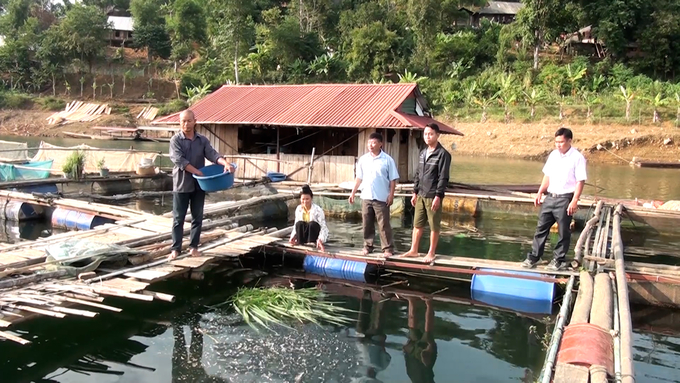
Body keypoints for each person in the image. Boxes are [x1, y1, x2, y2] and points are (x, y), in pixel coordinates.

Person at [168, 109, 235, 260]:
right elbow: (180, 161)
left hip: (200, 185)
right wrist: (197, 172)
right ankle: (175, 249)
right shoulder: (175, 140)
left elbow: (213, 155)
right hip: (182, 184)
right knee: (178, 218)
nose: (186, 124)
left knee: (197, 217)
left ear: (194, 122)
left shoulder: (202, 140)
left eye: (189, 121)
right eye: (183, 121)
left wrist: (225, 163)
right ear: (180, 122)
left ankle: (193, 247)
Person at [521, 127, 587, 271]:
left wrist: (575, 200)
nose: (558, 145)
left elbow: (580, 181)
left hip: (565, 198)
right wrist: (540, 192)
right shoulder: (553, 155)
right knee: (541, 228)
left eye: (561, 142)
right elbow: (547, 176)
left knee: (563, 231)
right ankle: (534, 256)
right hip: (550, 197)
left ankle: (558, 259)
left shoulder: (577, 158)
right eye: (556, 142)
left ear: (569, 140)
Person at [400, 123, 451, 264]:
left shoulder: (443, 154)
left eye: (430, 134)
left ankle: (431, 252)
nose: (427, 137)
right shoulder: (423, 152)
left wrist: (438, 196)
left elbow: (443, 177)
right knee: (417, 224)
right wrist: (414, 192)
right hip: (421, 195)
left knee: (434, 225)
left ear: (437, 135)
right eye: (425, 134)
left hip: (432, 195)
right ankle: (414, 250)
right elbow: (418, 174)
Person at [349, 132, 399, 258]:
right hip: (366, 196)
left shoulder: (387, 160)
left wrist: (391, 195)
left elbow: (393, 179)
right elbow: (359, 178)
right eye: (369, 143)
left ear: (380, 144)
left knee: (383, 224)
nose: (371, 145)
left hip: (381, 197)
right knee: (366, 223)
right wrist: (353, 192)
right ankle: (368, 246)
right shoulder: (363, 159)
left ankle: (388, 248)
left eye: (374, 142)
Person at [403, 297, 437, 383]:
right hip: (423, 361)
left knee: (414, 326)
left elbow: (409, 369)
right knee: (426, 330)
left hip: (415, 357)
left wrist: (406, 353)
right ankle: (427, 303)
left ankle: (412, 300)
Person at [289, 185, 329, 251]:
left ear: (311, 199)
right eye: (303, 199)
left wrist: (320, 239)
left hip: (314, 237)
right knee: (299, 224)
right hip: (304, 236)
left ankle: (312, 243)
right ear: (300, 199)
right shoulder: (299, 209)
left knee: (312, 224)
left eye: (307, 199)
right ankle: (300, 243)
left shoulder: (318, 210)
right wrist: (292, 236)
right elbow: (295, 225)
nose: (305, 202)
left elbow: (323, 227)